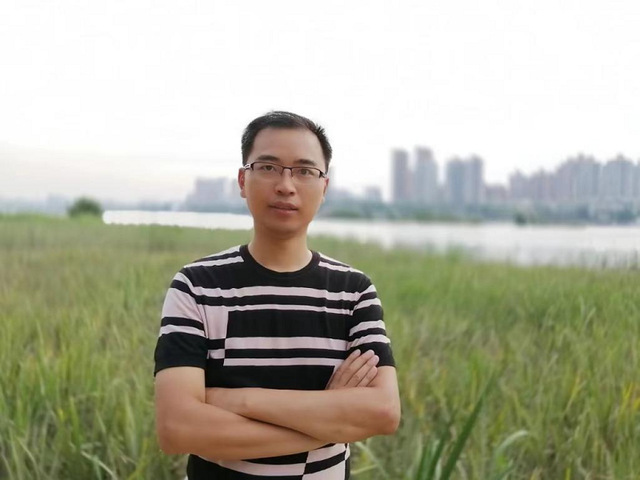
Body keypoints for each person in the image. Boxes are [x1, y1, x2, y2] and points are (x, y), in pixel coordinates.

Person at [154, 111, 400, 479]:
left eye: (304, 171)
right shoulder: (197, 286)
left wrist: (238, 400)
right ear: (243, 180)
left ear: (324, 187)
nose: (286, 185)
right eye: (268, 167)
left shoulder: (353, 291)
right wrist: (330, 421)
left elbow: (382, 412)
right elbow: (178, 429)